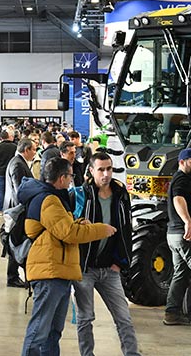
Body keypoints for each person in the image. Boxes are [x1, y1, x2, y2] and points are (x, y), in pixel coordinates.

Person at [18, 158, 115, 356]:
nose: (72, 179)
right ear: (62, 178)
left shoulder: (54, 198)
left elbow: (59, 228)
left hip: (58, 271)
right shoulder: (49, 200)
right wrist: (101, 229)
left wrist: (79, 223)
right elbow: (69, 234)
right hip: (50, 272)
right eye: (70, 176)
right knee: (39, 331)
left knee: (53, 332)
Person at [73, 152, 140, 356]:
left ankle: (132, 353)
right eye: (101, 169)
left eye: (109, 169)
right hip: (85, 269)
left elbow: (126, 229)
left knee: (124, 318)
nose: (106, 174)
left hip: (110, 269)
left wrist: (119, 263)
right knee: (85, 318)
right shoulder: (82, 194)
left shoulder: (120, 194)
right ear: (91, 171)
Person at [4, 138, 38, 289]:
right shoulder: (17, 164)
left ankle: (15, 275)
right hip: (17, 210)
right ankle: (12, 276)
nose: (35, 153)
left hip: (17, 209)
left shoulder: (19, 162)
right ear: (26, 150)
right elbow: (20, 191)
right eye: (34, 149)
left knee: (17, 241)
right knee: (16, 241)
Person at [164, 148, 191, 325]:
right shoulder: (181, 178)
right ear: (182, 162)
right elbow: (177, 199)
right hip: (183, 234)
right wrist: (187, 221)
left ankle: (172, 313)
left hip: (174, 235)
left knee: (181, 274)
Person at [0, 130, 17, 213]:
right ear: (9, 137)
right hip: (11, 172)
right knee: (11, 191)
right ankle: (10, 207)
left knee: (1, 191)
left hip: (0, 172)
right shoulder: (15, 147)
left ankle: (1, 208)